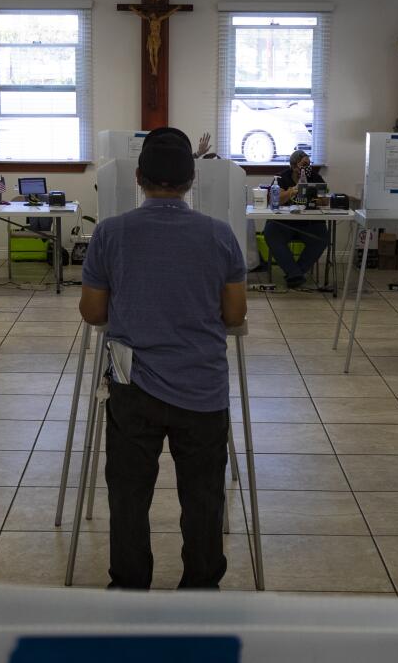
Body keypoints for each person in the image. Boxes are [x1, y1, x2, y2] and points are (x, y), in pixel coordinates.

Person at [80, 127, 247, 591]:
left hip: (133, 387)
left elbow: (93, 311)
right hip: (202, 387)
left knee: (129, 494)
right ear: (192, 179)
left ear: (138, 176)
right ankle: (200, 587)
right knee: (203, 495)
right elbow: (234, 313)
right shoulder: (219, 235)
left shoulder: (110, 233)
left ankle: (131, 586)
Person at [262, 150, 329, 289]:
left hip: (309, 223)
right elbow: (276, 200)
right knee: (270, 232)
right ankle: (295, 274)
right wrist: (293, 190)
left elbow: (325, 200)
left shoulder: (316, 178)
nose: (306, 168)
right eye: (303, 164)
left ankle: (295, 273)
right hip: (285, 223)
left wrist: (316, 200)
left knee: (322, 236)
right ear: (293, 166)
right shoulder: (281, 178)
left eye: (309, 164)